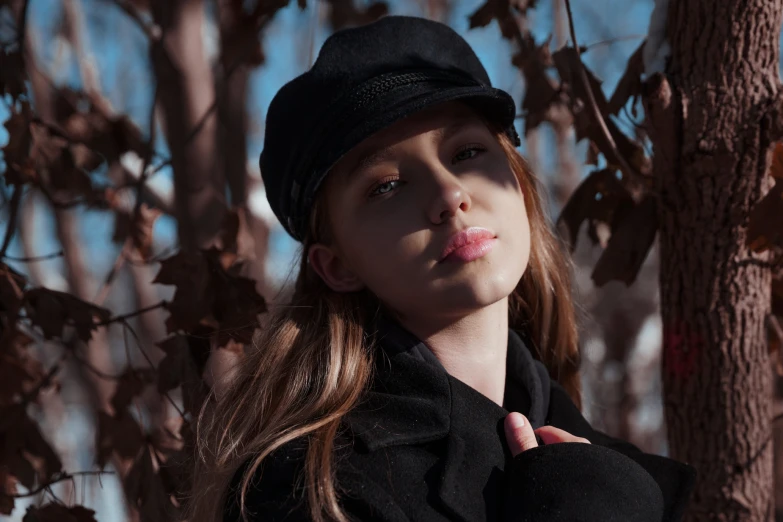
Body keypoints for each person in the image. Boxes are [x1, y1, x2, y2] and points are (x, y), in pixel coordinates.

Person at [187, 15, 696, 522]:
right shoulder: (309, 492)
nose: (450, 195)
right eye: (386, 185)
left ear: (518, 187)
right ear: (337, 265)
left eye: (468, 152)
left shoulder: (617, 466)